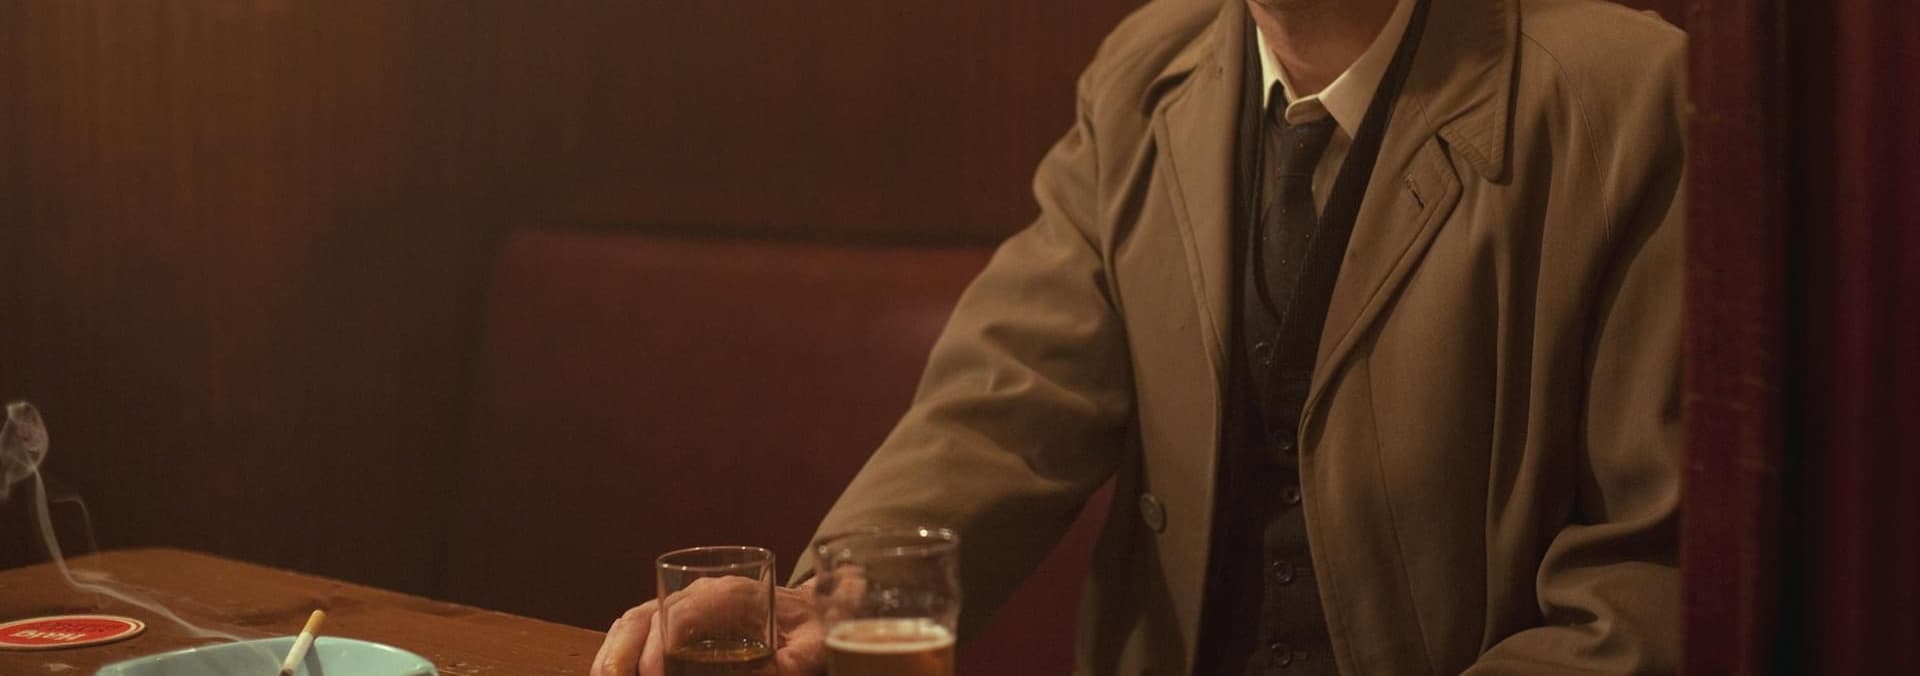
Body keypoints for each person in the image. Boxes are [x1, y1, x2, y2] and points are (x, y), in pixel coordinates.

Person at [595, 0, 1685, 672]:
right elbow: (1004, 401)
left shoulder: (1629, 96)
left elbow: (1654, 570)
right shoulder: (1141, 72)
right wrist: (825, 604)